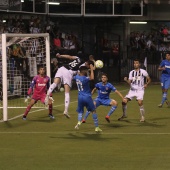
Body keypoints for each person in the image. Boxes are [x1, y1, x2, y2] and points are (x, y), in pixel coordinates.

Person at [45, 53, 93, 118]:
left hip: (62, 68)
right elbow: (79, 74)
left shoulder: (78, 58)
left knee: (55, 83)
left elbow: (69, 57)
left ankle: (47, 96)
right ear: (88, 65)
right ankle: (66, 110)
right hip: (68, 72)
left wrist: (60, 56)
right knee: (67, 92)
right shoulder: (83, 67)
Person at [73, 65, 102, 132]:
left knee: (80, 111)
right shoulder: (84, 78)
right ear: (84, 71)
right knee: (93, 111)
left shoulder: (77, 77)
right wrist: (91, 69)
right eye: (86, 70)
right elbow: (92, 78)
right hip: (87, 97)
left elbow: (74, 76)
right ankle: (97, 127)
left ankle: (78, 122)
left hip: (80, 97)